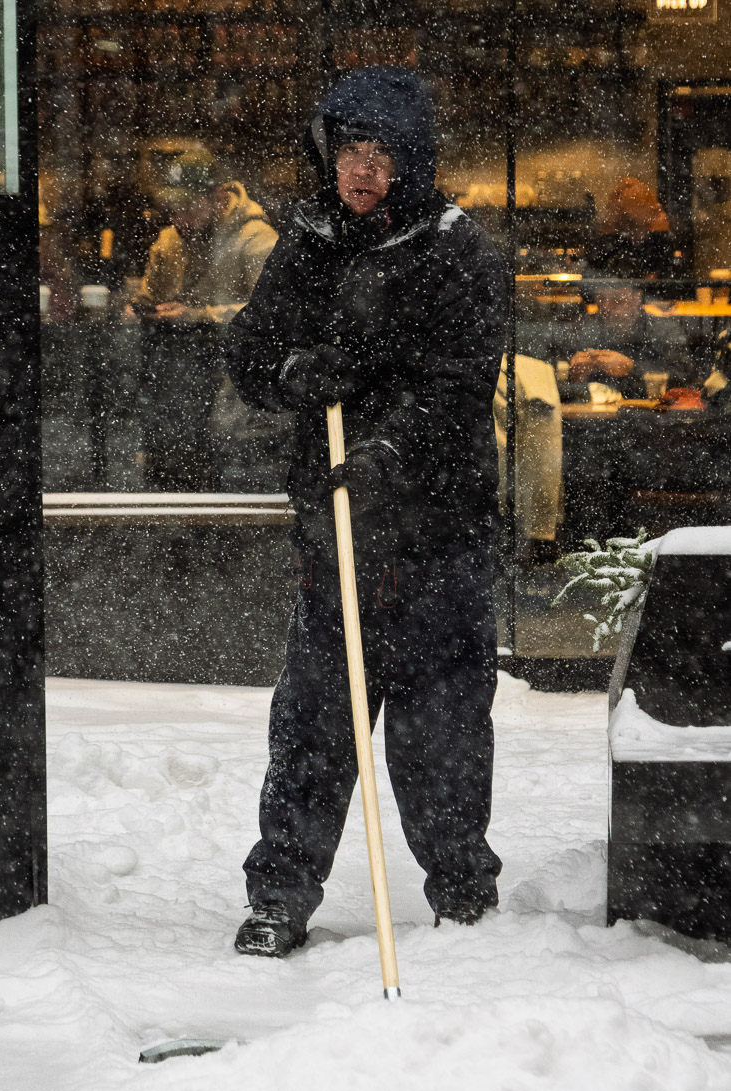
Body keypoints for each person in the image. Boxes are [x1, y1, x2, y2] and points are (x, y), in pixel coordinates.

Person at [225, 67, 507, 957]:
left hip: (437, 535)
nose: (362, 171)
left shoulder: (461, 252)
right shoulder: (306, 244)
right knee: (313, 722)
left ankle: (462, 897)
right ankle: (280, 894)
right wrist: (289, 376)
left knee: (442, 732)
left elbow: (459, 387)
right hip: (335, 536)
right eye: (350, 150)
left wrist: (389, 457)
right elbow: (249, 350)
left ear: (413, 161)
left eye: (382, 154)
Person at [128, 150, 278, 489]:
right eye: (174, 209)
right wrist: (137, 307)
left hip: (232, 380)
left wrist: (199, 316)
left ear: (218, 197)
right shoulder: (171, 239)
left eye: (189, 207)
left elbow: (269, 312)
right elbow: (151, 296)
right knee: (170, 466)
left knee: (221, 472)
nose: (180, 217)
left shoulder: (256, 238)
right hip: (177, 380)